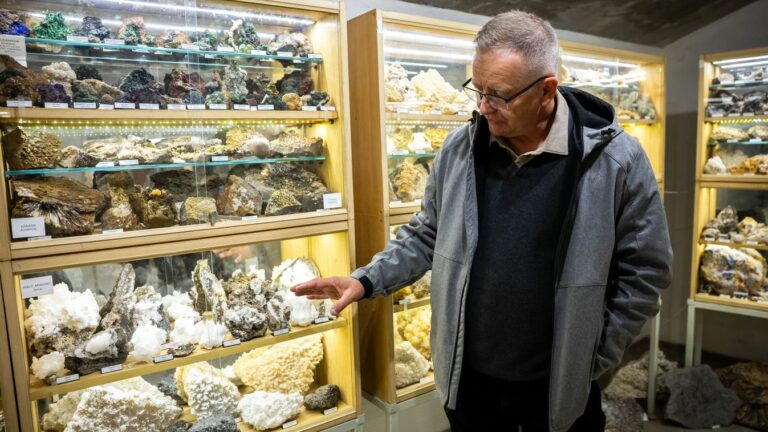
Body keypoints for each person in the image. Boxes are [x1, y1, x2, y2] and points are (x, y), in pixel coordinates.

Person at [292, 9, 672, 432]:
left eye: (500, 95)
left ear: (546, 90)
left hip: (560, 389)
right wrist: (365, 280)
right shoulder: (460, 149)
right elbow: (427, 233)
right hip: (470, 387)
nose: (483, 106)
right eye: (478, 89)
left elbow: (646, 269)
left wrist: (595, 354)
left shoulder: (615, 160)